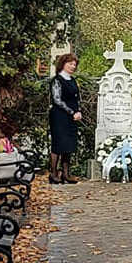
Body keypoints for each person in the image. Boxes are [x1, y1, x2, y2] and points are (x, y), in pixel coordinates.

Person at [48, 53, 83, 184]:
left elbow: (76, 98)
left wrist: (78, 111)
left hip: (72, 117)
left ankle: (66, 174)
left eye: (74, 64)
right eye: (70, 64)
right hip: (60, 116)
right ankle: (53, 173)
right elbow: (57, 99)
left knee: (68, 144)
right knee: (58, 144)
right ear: (63, 64)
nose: (73, 66)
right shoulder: (57, 80)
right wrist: (71, 112)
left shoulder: (72, 80)